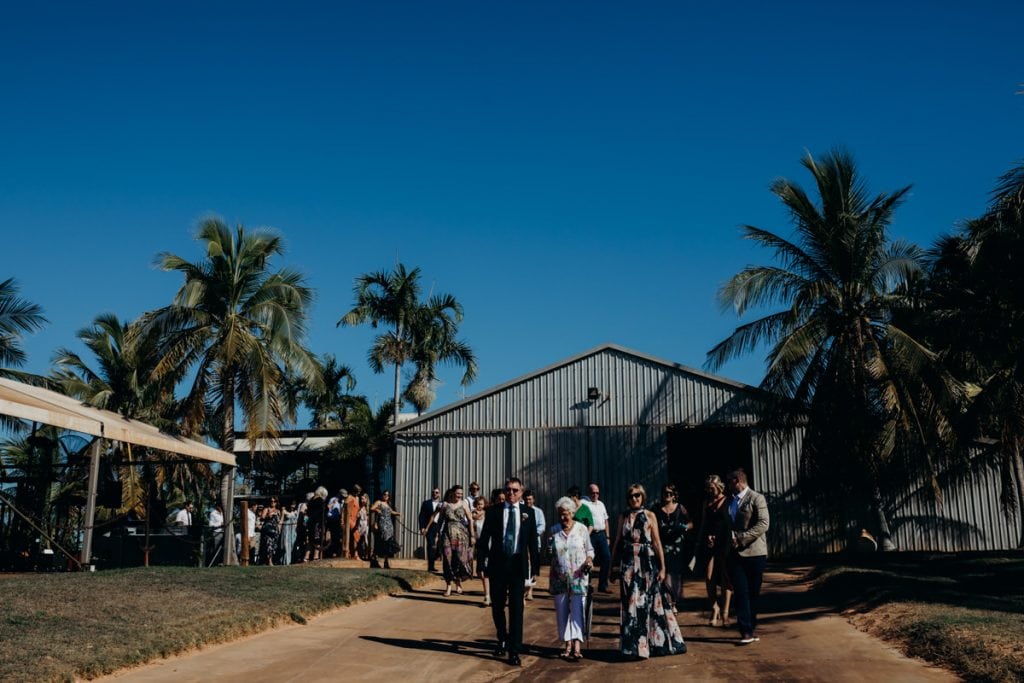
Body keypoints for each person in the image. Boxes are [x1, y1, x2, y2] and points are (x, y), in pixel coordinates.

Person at [611, 483, 686, 659]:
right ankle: (633, 647)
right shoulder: (623, 516)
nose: (634, 499)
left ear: (642, 497)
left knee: (649, 603)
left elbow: (657, 542)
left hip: (647, 564)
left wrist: (663, 567)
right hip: (628, 564)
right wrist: (612, 567)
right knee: (631, 605)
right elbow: (617, 542)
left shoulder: (650, 515)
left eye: (637, 495)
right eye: (631, 496)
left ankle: (654, 644)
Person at [478, 476, 540, 667]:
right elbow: (484, 539)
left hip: (517, 566)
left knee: (516, 609)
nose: (511, 493)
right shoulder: (494, 512)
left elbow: (532, 543)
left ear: (521, 492)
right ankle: (502, 637)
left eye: (515, 490)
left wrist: (535, 568)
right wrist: (481, 563)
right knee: (497, 606)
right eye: (508, 490)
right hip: (498, 565)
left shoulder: (528, 512)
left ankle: (514, 649)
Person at [726, 468, 769, 645]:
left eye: (729, 482)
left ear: (737, 481)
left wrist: (742, 539)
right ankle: (745, 631)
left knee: (753, 592)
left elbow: (764, 523)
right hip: (735, 555)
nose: (727, 486)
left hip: (755, 553)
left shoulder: (756, 498)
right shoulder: (730, 502)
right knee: (741, 592)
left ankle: (751, 626)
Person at [548, 496, 594, 661]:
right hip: (559, 577)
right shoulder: (554, 530)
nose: (563, 518)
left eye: (566, 514)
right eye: (560, 514)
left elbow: (590, 550)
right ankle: (567, 644)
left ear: (572, 513)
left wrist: (589, 560)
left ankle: (577, 646)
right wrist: (549, 549)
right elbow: (549, 555)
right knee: (562, 612)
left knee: (577, 611)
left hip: (578, 578)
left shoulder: (581, 529)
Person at [696, 474, 733, 626]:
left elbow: (733, 522)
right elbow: (704, 522)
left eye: (712, 488)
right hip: (710, 542)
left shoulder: (729, 501)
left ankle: (725, 611)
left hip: (725, 542)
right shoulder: (707, 503)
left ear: (719, 487)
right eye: (708, 488)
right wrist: (700, 540)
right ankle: (714, 608)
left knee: (726, 577)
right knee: (709, 577)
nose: (710, 491)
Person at [650, 483, 693, 613]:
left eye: (670, 493)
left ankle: (674, 601)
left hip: (677, 546)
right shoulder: (656, 508)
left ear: (674, 495)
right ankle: (665, 601)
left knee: (675, 574)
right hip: (661, 545)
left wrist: (684, 527)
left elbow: (691, 523)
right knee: (663, 572)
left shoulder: (680, 508)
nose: (667, 495)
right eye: (665, 493)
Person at [429, 484, 475, 596]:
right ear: (453, 493)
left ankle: (458, 582)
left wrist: (472, 535)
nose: (459, 495)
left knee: (460, 559)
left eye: (461, 493)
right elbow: (440, 521)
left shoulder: (464, 504)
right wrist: (437, 535)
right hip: (447, 534)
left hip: (461, 535)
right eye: (458, 493)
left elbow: (470, 519)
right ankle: (448, 586)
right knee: (447, 558)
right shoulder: (445, 504)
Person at [582, 484, 612, 593]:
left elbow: (606, 520)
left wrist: (608, 536)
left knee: (607, 558)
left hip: (602, 535)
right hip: (590, 535)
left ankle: (603, 585)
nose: (595, 495)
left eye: (597, 493)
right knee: (589, 560)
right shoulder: (584, 504)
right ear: (588, 493)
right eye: (593, 492)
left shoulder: (601, 504)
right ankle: (587, 585)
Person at [523, 490, 545, 601]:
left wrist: (533, 534)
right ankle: (522, 591)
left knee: (533, 567)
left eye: (530, 499)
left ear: (533, 499)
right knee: (524, 566)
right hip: (522, 544)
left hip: (535, 543)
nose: (528, 501)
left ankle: (530, 591)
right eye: (526, 499)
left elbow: (542, 526)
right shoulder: (520, 510)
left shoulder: (538, 511)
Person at [371, 490, 401, 569]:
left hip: (389, 525)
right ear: (382, 495)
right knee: (383, 541)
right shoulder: (379, 502)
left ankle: (386, 561)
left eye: (387, 495)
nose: (386, 496)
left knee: (388, 543)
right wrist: (377, 510)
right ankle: (375, 558)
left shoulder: (388, 504)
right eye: (384, 494)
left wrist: (398, 514)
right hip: (382, 523)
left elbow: (391, 512)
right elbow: (372, 508)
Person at [471, 496, 490, 605]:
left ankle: (488, 595)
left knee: (488, 571)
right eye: (478, 504)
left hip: (489, 544)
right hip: (480, 544)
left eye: (481, 504)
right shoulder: (473, 515)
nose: (479, 506)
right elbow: (472, 527)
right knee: (480, 572)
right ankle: (487, 594)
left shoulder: (488, 514)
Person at [418, 486, 443, 572]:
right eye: (433, 492)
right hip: (430, 527)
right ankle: (431, 566)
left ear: (439, 494)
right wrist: (422, 527)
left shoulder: (443, 503)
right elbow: (421, 516)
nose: (435, 494)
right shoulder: (426, 503)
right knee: (431, 545)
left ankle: (438, 557)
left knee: (439, 545)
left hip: (440, 526)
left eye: (436, 492)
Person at [304, 487, 327, 562]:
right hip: (317, 522)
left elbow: (308, 512)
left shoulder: (311, 500)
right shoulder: (320, 500)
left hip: (310, 522)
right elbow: (323, 511)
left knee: (310, 540)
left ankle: (306, 557)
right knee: (317, 539)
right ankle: (315, 556)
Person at [260, 497, 282, 565]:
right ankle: (269, 561)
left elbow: (279, 521)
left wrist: (279, 530)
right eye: (271, 501)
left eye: (274, 501)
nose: (273, 502)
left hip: (275, 530)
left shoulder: (278, 511)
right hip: (267, 529)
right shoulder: (267, 509)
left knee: (274, 545)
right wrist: (268, 516)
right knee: (268, 544)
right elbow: (262, 518)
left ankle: (271, 560)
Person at [280, 500, 299, 566]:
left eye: (294, 504)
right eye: (291, 504)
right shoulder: (284, 511)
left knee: (293, 545)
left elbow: (297, 521)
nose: (292, 506)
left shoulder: (296, 512)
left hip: (293, 530)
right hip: (286, 529)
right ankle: (286, 562)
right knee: (286, 545)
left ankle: (292, 561)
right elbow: (281, 520)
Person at [346, 484, 362, 558]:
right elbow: (345, 508)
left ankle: (352, 553)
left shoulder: (357, 498)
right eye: (357, 491)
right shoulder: (350, 497)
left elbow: (357, 508)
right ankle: (355, 554)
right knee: (356, 535)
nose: (358, 493)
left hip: (356, 519)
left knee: (354, 536)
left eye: (359, 491)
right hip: (350, 518)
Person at [355, 493, 370, 560]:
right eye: (361, 499)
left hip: (366, 524)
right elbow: (357, 516)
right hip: (360, 524)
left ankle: (367, 555)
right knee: (358, 540)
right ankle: (357, 554)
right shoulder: (359, 507)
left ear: (366, 499)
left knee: (366, 541)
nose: (362, 500)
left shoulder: (368, 508)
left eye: (363, 499)